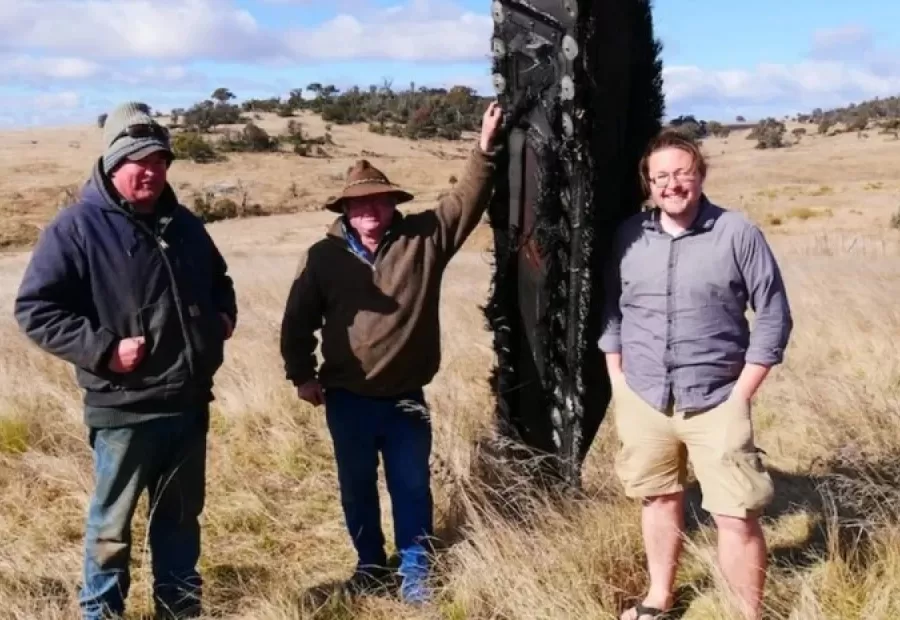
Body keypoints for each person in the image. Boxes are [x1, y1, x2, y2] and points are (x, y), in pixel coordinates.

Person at [14, 102, 237, 620]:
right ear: (113, 165)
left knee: (181, 522)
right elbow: (35, 308)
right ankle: (101, 614)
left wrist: (221, 318)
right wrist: (104, 350)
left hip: (186, 405)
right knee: (112, 528)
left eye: (161, 160)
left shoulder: (185, 225)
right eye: (140, 161)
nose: (152, 171)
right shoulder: (76, 228)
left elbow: (219, 280)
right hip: (123, 411)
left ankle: (179, 611)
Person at [280, 101, 504, 604]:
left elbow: (465, 200)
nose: (369, 211)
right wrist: (302, 375)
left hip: (406, 398)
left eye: (377, 201)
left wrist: (485, 147)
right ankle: (369, 566)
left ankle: (416, 571)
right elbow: (297, 322)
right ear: (344, 210)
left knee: (410, 486)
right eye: (358, 205)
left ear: (391, 203)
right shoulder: (321, 258)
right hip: (346, 398)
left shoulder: (423, 239)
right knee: (356, 488)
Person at [598, 128, 793, 620]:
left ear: (700, 175)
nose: (671, 184)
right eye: (660, 175)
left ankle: (745, 613)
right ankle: (659, 599)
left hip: (717, 398)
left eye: (681, 173)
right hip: (643, 397)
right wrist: (618, 379)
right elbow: (613, 312)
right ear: (649, 183)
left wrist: (742, 393)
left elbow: (772, 314)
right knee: (659, 500)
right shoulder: (629, 236)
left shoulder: (737, 232)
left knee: (735, 514)